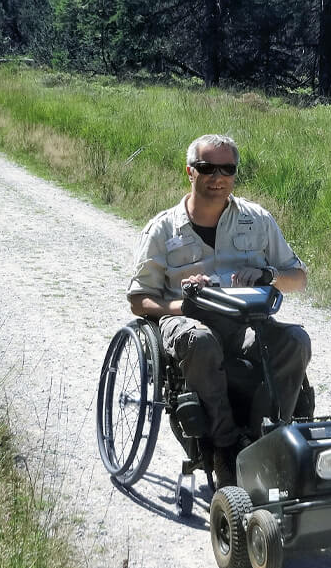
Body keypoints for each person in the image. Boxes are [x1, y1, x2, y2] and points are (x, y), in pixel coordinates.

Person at [127, 134, 311, 487]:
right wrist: (186, 303)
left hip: (243, 322)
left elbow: (298, 277)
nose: (218, 176)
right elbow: (139, 299)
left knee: (295, 341)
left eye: (227, 168)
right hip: (184, 321)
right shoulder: (163, 229)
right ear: (190, 172)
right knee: (202, 340)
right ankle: (224, 448)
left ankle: (264, 441)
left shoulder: (257, 220)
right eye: (207, 167)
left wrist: (268, 275)